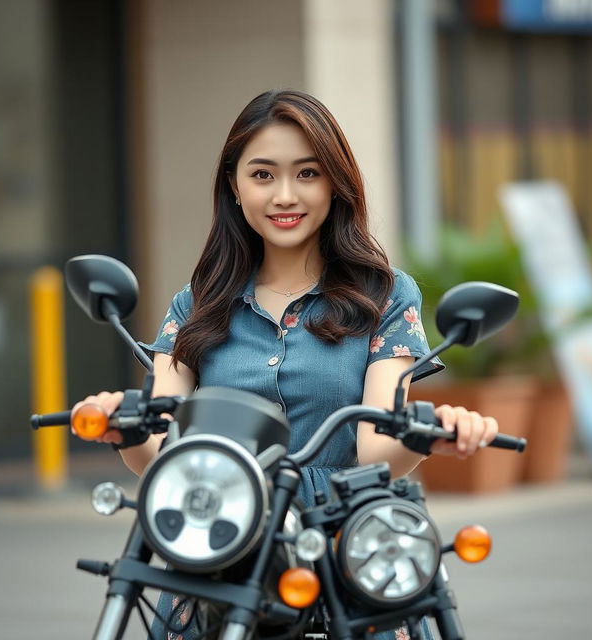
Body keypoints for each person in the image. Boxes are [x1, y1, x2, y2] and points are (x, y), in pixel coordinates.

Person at [73, 89, 498, 640]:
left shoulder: (384, 297)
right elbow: (160, 445)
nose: (285, 195)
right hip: (222, 543)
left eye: (307, 173)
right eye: (263, 175)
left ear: (335, 182)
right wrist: (121, 424)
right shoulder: (197, 302)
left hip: (342, 546)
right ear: (235, 183)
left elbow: (374, 448)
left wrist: (427, 433)